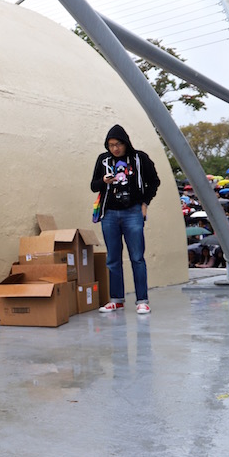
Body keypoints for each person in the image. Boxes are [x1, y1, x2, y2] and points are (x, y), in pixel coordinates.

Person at [90, 124, 160, 314]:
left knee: (137, 257)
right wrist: (103, 182)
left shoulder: (139, 158)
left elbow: (154, 181)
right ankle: (116, 299)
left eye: (119, 144)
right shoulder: (103, 160)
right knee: (112, 258)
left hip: (133, 212)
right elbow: (93, 186)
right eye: (111, 145)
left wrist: (145, 203)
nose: (115, 149)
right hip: (109, 214)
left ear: (126, 143)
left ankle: (142, 300)